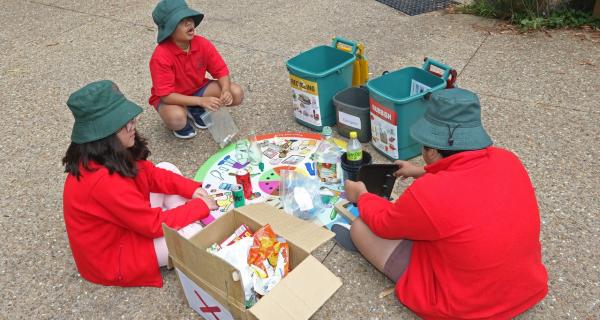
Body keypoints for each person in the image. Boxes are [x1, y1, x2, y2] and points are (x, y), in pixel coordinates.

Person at [341, 88, 548, 319]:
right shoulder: (507, 159)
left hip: (466, 307)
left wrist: (361, 196)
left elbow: (382, 223)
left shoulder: (429, 194)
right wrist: (422, 172)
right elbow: (466, 173)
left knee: (360, 227)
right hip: (525, 289)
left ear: (430, 151)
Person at [62, 80, 218, 287]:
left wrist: (193, 189)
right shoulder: (103, 181)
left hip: (126, 225)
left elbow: (151, 174)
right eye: (124, 124)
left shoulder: (104, 153)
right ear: (103, 134)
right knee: (194, 238)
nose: (133, 125)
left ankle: (185, 220)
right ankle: (189, 223)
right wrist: (199, 206)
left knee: (167, 169)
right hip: (116, 256)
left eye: (130, 119)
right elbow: (152, 226)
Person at [149, 0, 244, 139]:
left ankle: (194, 109)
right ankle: (191, 109)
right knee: (177, 119)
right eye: (181, 21)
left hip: (198, 88)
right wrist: (201, 101)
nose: (189, 23)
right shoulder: (160, 56)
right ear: (169, 30)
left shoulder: (202, 43)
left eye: (189, 18)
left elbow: (221, 70)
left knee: (236, 93)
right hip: (172, 98)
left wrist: (225, 90)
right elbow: (166, 95)